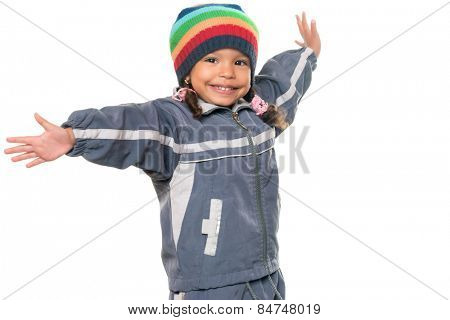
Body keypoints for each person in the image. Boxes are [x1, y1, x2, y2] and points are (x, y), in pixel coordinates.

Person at [4, 3, 321, 300]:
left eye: (239, 62)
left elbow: (284, 85)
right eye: (211, 60)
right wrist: (75, 136)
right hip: (206, 286)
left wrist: (308, 54)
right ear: (187, 70)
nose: (227, 71)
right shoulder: (172, 123)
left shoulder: (260, 113)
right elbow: (127, 128)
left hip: (267, 275)